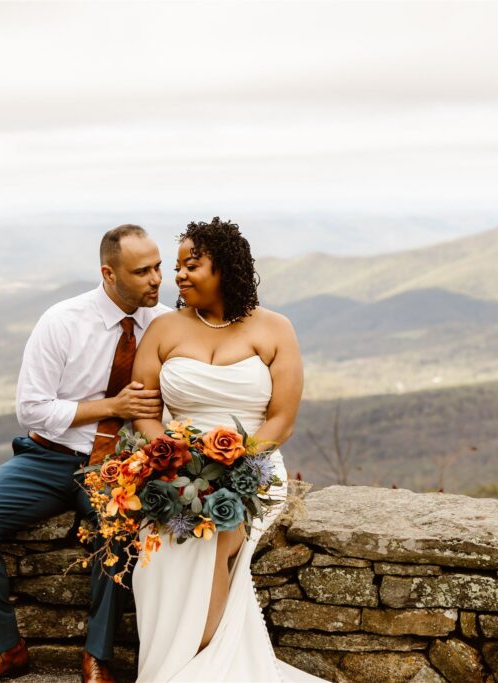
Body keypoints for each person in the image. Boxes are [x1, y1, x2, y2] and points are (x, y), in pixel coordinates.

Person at [0, 224, 169, 683]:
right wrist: (112, 407)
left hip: (117, 466)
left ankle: (97, 656)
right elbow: (31, 407)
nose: (156, 278)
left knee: (119, 528)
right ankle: (5, 649)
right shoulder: (62, 321)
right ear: (109, 273)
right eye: (142, 270)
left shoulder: (163, 325)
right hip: (48, 457)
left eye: (158, 266)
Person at [129, 217, 326, 682]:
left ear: (225, 268)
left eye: (190, 265)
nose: (177, 275)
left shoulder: (276, 328)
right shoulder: (162, 329)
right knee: (160, 547)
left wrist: (232, 461)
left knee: (214, 537)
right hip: (174, 468)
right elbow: (143, 409)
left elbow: (282, 419)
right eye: (176, 266)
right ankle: (180, 661)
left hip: (253, 468)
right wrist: (171, 458)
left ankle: (197, 661)